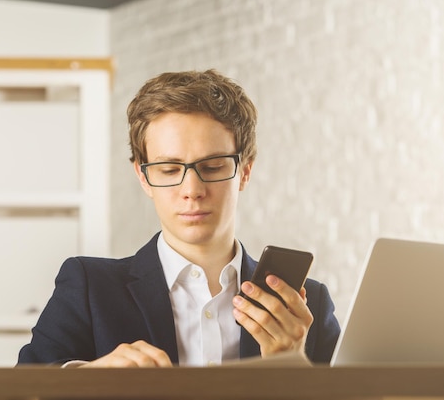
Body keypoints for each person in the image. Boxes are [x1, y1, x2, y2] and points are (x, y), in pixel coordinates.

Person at [17, 69, 340, 367]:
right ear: (143, 178)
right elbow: (20, 390)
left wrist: (292, 370)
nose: (192, 190)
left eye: (212, 167)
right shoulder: (90, 287)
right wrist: (88, 380)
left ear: (245, 171)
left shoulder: (306, 306)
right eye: (169, 169)